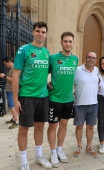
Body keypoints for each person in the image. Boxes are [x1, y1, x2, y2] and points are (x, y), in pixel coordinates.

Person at [12, 22, 52, 170]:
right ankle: (23, 161)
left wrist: (48, 85)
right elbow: (16, 75)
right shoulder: (24, 50)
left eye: (43, 32)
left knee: (40, 126)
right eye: (37, 31)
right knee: (23, 129)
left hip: (43, 96)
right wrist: (15, 99)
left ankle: (39, 155)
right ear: (33, 32)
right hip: (26, 96)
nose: (40, 34)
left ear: (46, 34)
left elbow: (44, 74)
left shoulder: (47, 53)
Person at [47, 32, 78, 166]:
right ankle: (53, 151)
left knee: (64, 125)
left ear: (73, 43)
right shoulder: (53, 58)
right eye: (65, 41)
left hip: (68, 99)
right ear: (61, 42)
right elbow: (43, 73)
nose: (68, 44)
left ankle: (60, 149)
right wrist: (46, 84)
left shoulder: (75, 59)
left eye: (70, 41)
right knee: (53, 126)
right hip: (54, 99)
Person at [0, 57, 19, 129]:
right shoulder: (11, 69)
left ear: (10, 62)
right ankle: (14, 119)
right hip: (10, 90)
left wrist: (4, 76)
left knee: (12, 106)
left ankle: (16, 121)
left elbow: (13, 79)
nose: (5, 66)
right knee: (12, 106)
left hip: (11, 90)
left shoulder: (14, 68)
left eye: (6, 64)